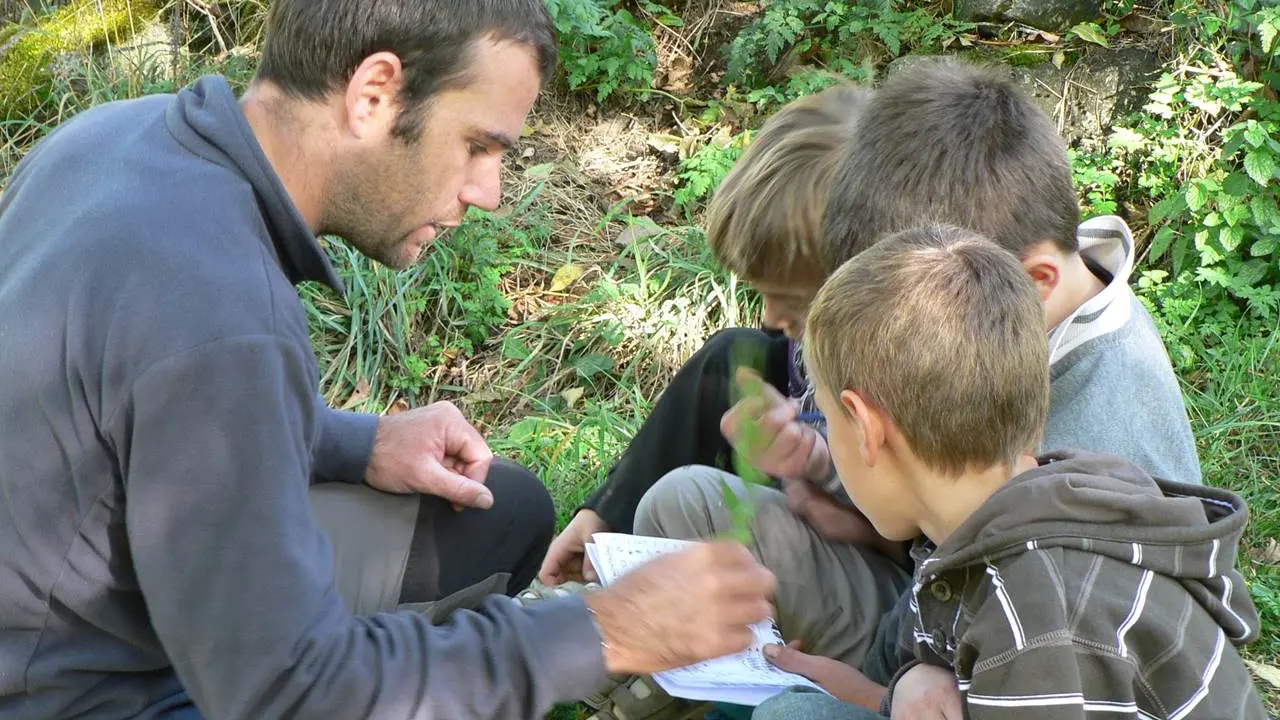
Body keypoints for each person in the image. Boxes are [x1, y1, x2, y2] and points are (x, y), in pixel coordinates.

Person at [0, 0, 777, 718]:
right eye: (477, 144)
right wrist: (605, 631)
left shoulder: (112, 139)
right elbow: (287, 688)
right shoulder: (224, 315)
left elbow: (135, 407)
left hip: (81, 598)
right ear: (373, 94)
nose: (490, 190)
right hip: (83, 691)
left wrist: (358, 442)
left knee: (503, 511)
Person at [749, 224, 1264, 720]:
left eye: (827, 417)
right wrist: (902, 684)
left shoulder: (1030, 616)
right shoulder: (1010, 517)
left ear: (865, 428)